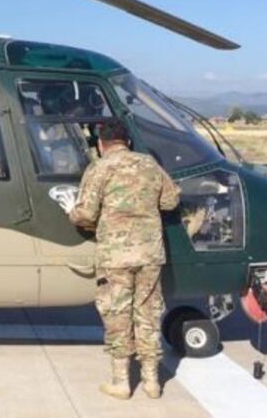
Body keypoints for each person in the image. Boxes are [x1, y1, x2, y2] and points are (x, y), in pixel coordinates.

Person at [61, 118, 180, 400]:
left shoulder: (99, 168)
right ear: (127, 142)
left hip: (115, 255)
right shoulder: (149, 164)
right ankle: (152, 381)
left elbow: (86, 214)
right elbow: (170, 201)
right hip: (149, 253)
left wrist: (71, 211)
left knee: (117, 314)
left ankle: (121, 382)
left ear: (101, 144)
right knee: (148, 313)